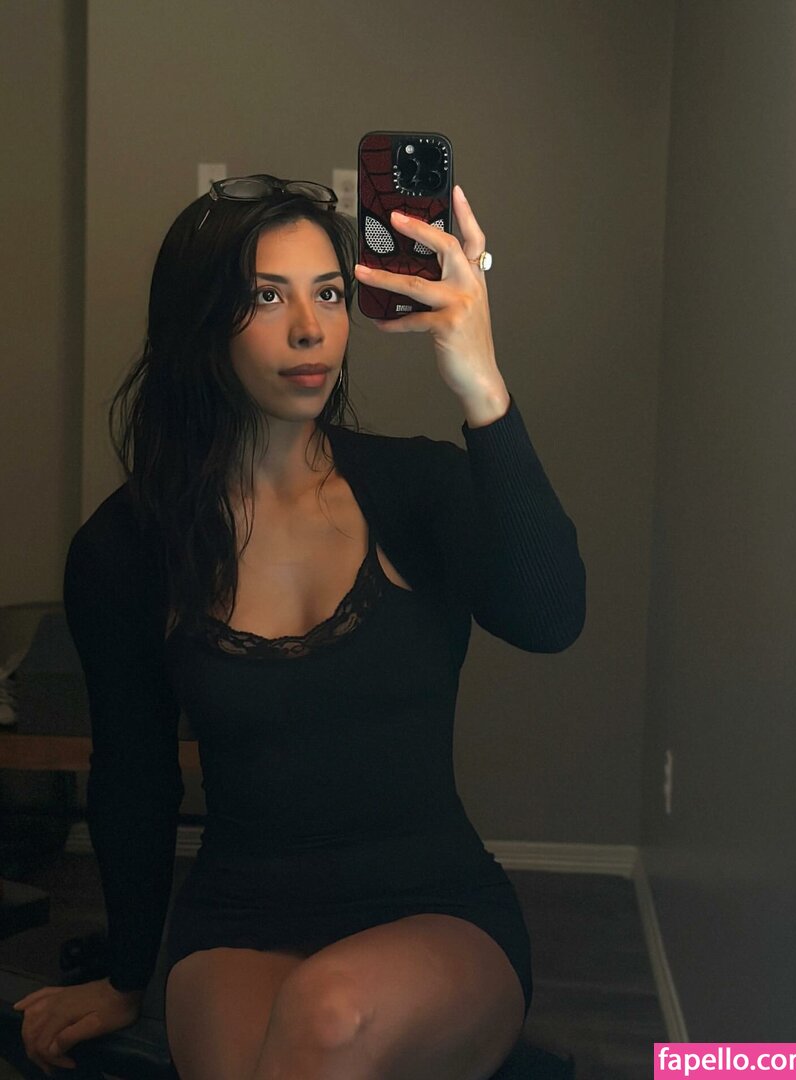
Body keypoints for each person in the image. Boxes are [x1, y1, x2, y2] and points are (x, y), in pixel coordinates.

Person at [13, 173, 586, 1079]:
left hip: (435, 909)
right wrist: (126, 976)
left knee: (327, 1015)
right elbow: (135, 775)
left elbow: (552, 618)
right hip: (239, 921)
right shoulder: (125, 548)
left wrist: (480, 382)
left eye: (327, 293)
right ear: (201, 323)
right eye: (266, 297)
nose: (311, 329)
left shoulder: (417, 487)